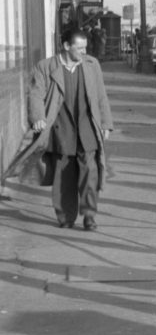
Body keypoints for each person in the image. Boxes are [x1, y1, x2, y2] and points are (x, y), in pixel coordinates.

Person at [28, 27, 113, 229]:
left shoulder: (92, 65)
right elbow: (35, 94)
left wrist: (106, 123)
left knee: (90, 173)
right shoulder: (45, 67)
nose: (84, 53)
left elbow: (101, 96)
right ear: (66, 46)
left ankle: (89, 216)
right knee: (63, 176)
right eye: (80, 48)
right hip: (61, 129)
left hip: (87, 127)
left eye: (85, 48)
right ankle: (65, 217)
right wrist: (38, 117)